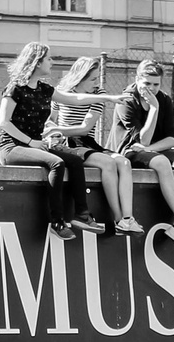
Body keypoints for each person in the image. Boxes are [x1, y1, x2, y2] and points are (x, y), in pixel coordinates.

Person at [0, 42, 124, 241]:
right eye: (48, 58)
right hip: (12, 147)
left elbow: (75, 100)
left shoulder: (45, 89)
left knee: (74, 161)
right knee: (57, 163)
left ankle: (82, 214)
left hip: (35, 146)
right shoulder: (15, 88)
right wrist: (31, 142)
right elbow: (3, 122)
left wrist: (109, 98)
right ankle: (57, 222)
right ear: (37, 62)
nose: (52, 62)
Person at [49, 56, 143, 235]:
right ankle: (117, 218)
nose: (96, 83)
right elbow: (51, 120)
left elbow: (85, 129)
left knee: (123, 162)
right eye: (92, 79)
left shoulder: (99, 94)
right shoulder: (60, 92)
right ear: (80, 77)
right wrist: (52, 130)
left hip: (86, 142)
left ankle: (127, 219)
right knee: (108, 163)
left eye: (97, 78)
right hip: (67, 144)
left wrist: (56, 130)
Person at [112, 59, 174, 249]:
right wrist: (153, 108)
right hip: (129, 150)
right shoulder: (126, 100)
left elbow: (171, 139)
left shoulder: (165, 99)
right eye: (147, 84)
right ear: (137, 79)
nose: (151, 89)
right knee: (161, 162)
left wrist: (150, 149)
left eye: (156, 84)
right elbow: (141, 141)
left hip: (153, 149)